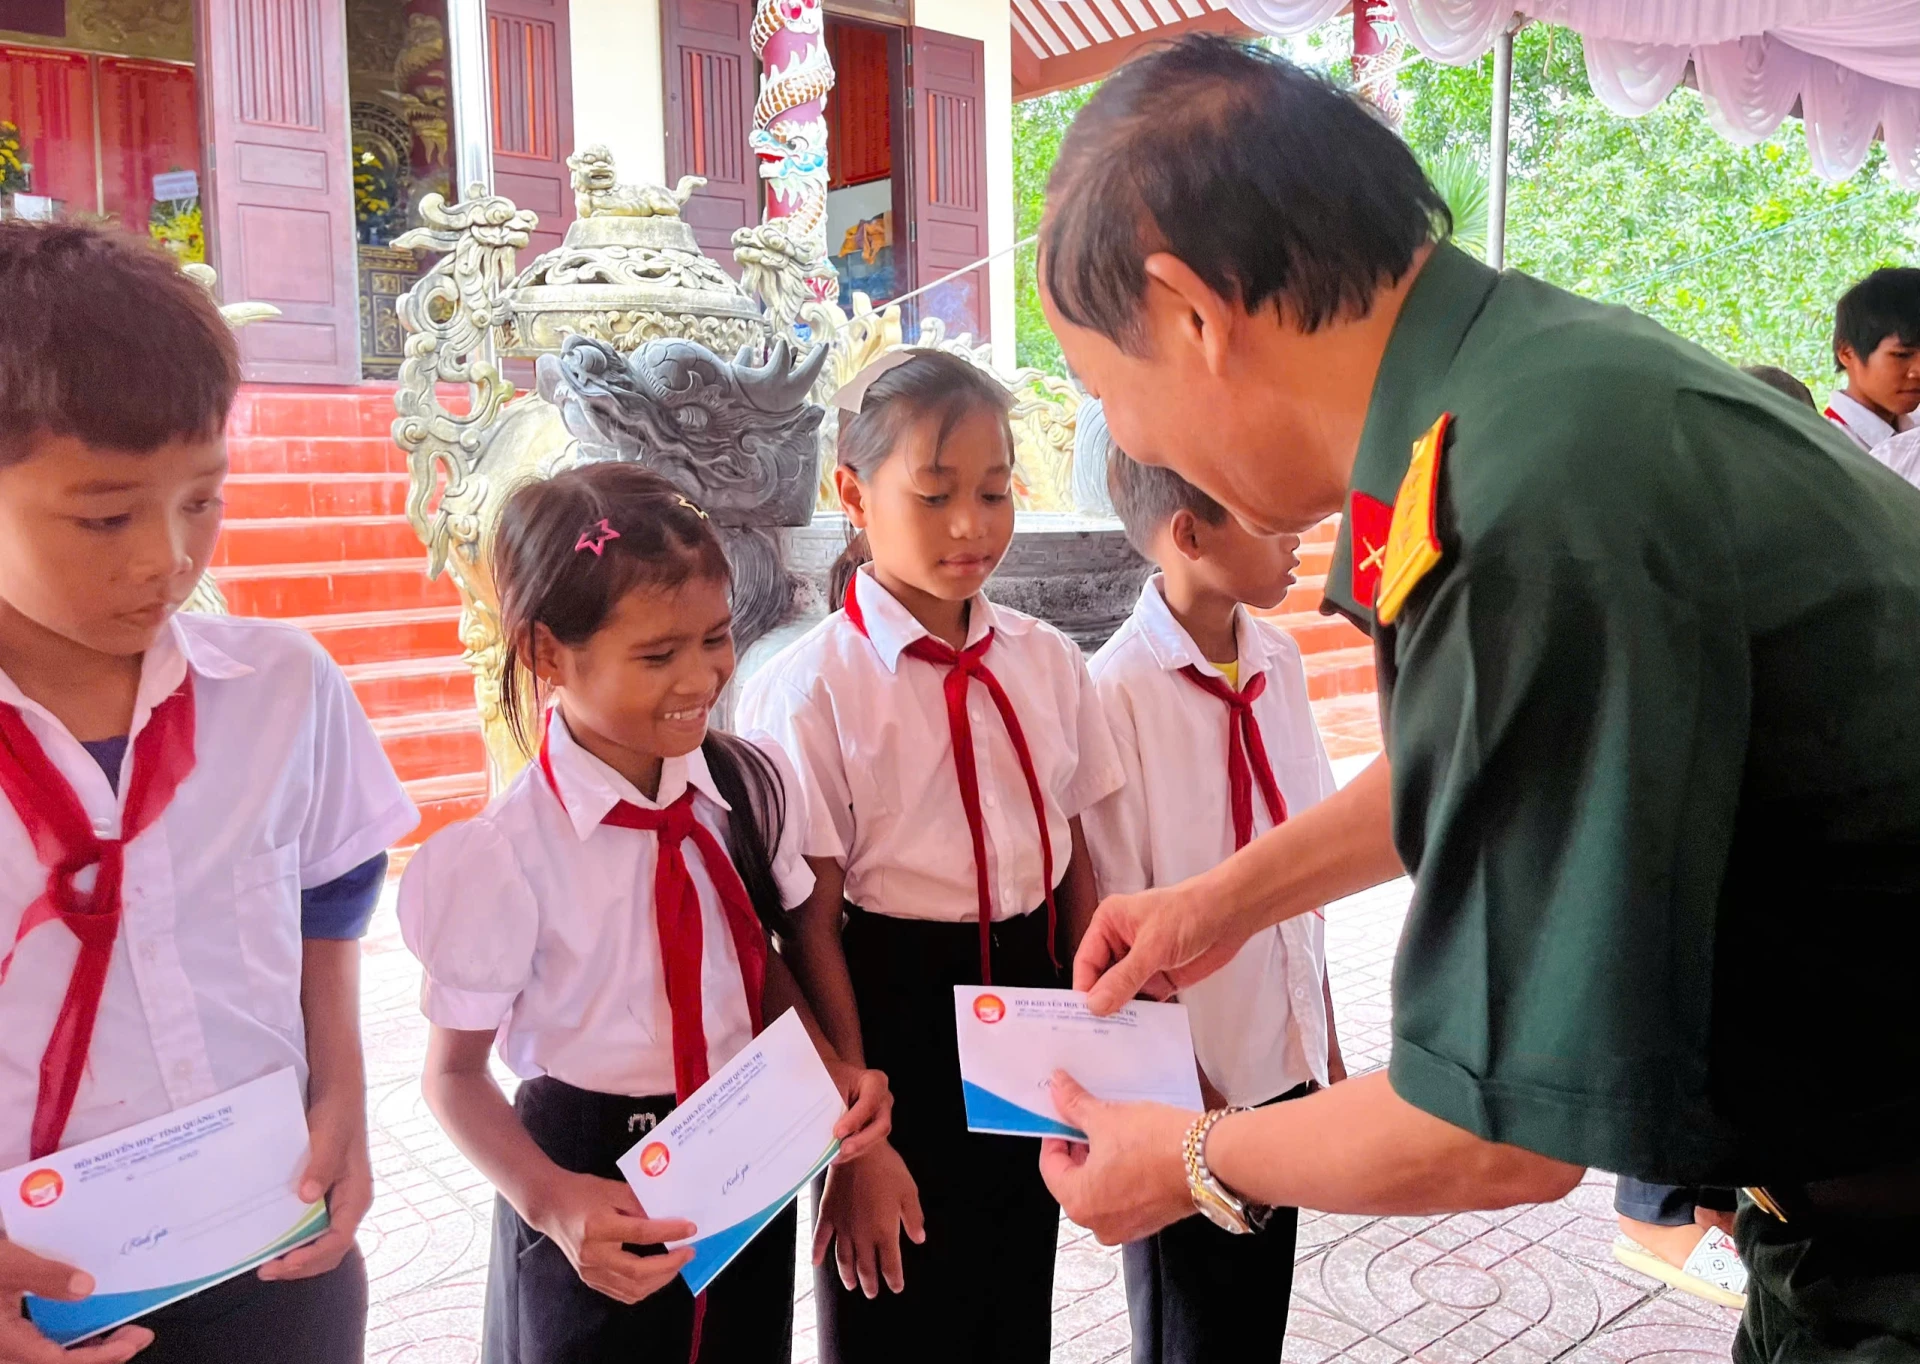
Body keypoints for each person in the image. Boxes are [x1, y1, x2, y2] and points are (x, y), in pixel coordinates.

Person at [1032, 35, 1920, 1364]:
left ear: (1191, 316)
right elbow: (1504, 756)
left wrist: (1193, 1158)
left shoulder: (1521, 495)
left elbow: (1493, 1135)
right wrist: (1218, 905)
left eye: (1109, 394)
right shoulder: (1496, 396)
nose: (1138, 447)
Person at [0, 221, 418, 1364]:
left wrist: (343, 1101)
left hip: (274, 1248)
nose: (166, 558)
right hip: (31, 1290)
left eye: (203, 500)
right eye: (105, 514)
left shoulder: (282, 689)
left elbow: (329, 908)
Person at [397, 463, 892, 1364]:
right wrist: (551, 1203)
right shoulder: (503, 855)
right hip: (586, 1181)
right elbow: (452, 1078)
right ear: (550, 655)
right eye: (658, 656)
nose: (700, 677)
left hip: (743, 1147)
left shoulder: (746, 785)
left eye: (714, 639)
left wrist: (832, 1075)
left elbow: (752, 962)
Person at [735, 349, 1124, 1364]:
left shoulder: (1046, 660)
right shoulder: (812, 688)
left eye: (995, 492)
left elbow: (1077, 858)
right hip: (887, 1017)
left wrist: (1100, 1042)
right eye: (936, 492)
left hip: (1031, 1000)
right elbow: (806, 923)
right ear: (852, 492)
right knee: (894, 1308)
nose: (972, 525)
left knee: (1010, 1301)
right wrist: (853, 1140)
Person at [1082, 451, 1344, 1364]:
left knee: (1253, 1322)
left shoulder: (1279, 660)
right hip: (1190, 1095)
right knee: (1188, 1328)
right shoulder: (1115, 693)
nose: (1300, 534)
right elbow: (1123, 934)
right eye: (1270, 517)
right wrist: (1189, 1103)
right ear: (1189, 534)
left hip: (1280, 1068)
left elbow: (1309, 871)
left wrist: (1324, 1048)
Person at [1824, 269, 1920, 451]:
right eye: (1902, 355)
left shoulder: (1913, 428)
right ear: (1847, 353)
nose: (1918, 371)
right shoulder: (1830, 452)